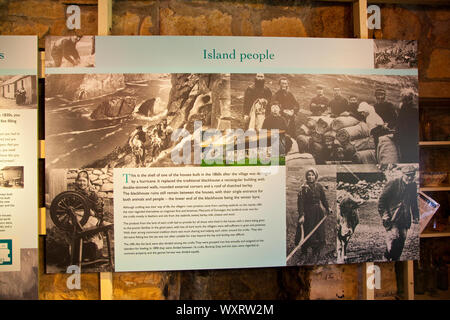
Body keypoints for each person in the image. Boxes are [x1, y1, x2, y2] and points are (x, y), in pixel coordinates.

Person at [378, 165, 419, 261]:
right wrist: (385, 215)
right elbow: (382, 201)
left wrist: (415, 216)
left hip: (405, 218)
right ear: (403, 174)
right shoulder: (393, 183)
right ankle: (387, 257)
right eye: (408, 175)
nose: (410, 177)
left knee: (402, 238)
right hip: (392, 218)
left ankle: (396, 258)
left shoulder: (413, 185)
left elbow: (413, 202)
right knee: (394, 237)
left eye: (412, 175)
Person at [294, 167, 332, 264]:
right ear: (306, 176)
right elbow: (300, 203)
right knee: (306, 232)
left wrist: (328, 208)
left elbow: (323, 199)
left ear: (315, 176)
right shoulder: (303, 188)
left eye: (312, 175)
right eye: (308, 175)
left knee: (318, 233)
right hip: (307, 213)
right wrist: (302, 215)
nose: (310, 177)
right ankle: (304, 253)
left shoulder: (319, 186)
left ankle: (316, 252)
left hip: (318, 213)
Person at [73, 170, 105, 262]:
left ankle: (91, 254)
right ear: (76, 181)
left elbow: (99, 213)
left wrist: (91, 212)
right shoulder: (73, 194)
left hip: (91, 219)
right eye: (79, 180)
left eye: (84, 181)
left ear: (88, 182)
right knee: (74, 226)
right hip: (78, 219)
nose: (81, 183)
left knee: (84, 229)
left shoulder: (93, 194)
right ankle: (78, 255)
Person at [394, 88, 419, 163]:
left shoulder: (407, 109)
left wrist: (396, 134)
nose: (402, 101)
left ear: (407, 99)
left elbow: (400, 122)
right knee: (412, 156)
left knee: (406, 156)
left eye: (403, 99)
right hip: (411, 137)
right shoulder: (414, 108)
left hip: (406, 137)